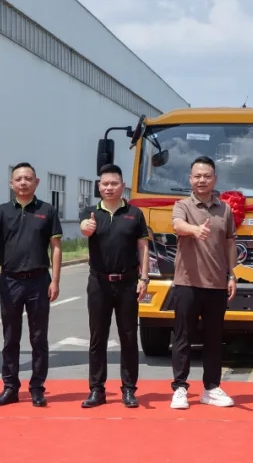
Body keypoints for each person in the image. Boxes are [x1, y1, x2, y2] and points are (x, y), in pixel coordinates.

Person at [0, 162, 62, 408]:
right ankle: (10, 387)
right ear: (11, 183)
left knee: (39, 338)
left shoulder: (47, 210)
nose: (23, 183)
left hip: (39, 280)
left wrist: (55, 280)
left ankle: (37, 388)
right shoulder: (2, 211)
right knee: (10, 337)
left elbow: (56, 247)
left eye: (28, 178)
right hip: (10, 281)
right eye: (19, 179)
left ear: (37, 182)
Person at [168, 156, 237, 410]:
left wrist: (232, 275)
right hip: (187, 283)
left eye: (207, 176)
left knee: (213, 339)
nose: (202, 180)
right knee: (183, 338)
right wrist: (195, 230)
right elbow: (177, 225)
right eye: (197, 176)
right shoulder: (182, 205)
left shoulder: (225, 209)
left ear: (214, 179)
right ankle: (180, 388)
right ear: (190, 179)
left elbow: (230, 242)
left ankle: (211, 387)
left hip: (216, 284)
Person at [78, 164, 149, 409]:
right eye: (105, 184)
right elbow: (84, 228)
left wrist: (144, 278)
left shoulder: (135, 214)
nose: (109, 187)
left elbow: (143, 247)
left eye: (114, 183)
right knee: (98, 337)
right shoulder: (90, 212)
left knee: (128, 337)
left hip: (128, 283)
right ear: (99, 186)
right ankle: (97, 390)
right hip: (99, 282)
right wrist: (85, 228)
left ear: (122, 186)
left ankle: (129, 389)